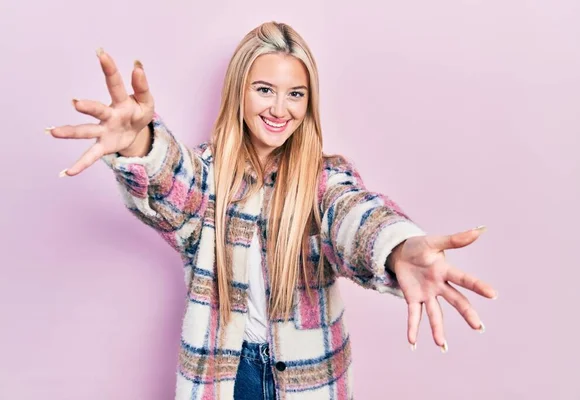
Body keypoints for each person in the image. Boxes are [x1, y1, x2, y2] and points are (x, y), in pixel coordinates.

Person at [47, 21, 497, 400]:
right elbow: (173, 186)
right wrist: (138, 143)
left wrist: (399, 247)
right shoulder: (208, 175)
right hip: (225, 376)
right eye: (265, 90)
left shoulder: (324, 178)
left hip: (312, 376)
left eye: (296, 94)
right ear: (239, 92)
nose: (280, 109)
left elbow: (353, 214)